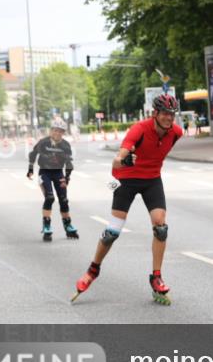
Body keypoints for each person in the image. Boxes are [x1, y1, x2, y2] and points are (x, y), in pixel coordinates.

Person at [72, 94, 184, 305]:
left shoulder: (176, 133)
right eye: (165, 114)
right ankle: (93, 269)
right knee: (112, 233)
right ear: (155, 114)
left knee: (161, 227)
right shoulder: (139, 129)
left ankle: (156, 277)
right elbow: (115, 163)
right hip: (126, 179)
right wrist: (125, 160)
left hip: (152, 180)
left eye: (172, 114)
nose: (169, 118)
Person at [27, 118, 78, 241]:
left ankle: (68, 225)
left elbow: (69, 163)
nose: (57, 133)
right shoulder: (43, 143)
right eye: (55, 131)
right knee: (49, 198)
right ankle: (46, 226)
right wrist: (30, 170)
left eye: (60, 131)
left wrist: (67, 179)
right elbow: (32, 155)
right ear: (51, 131)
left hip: (58, 173)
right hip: (45, 173)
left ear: (63, 133)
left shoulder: (65, 145)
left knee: (64, 200)